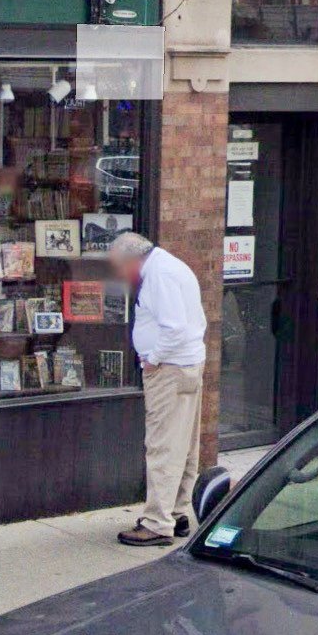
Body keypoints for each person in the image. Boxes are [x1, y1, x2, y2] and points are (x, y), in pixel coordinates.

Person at [107, 232, 207, 547]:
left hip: (169, 369)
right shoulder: (170, 266)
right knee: (184, 444)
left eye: (119, 267)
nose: (119, 274)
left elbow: (173, 327)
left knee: (163, 445)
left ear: (131, 260)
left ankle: (157, 523)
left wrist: (153, 358)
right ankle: (176, 513)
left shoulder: (159, 276)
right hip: (188, 364)